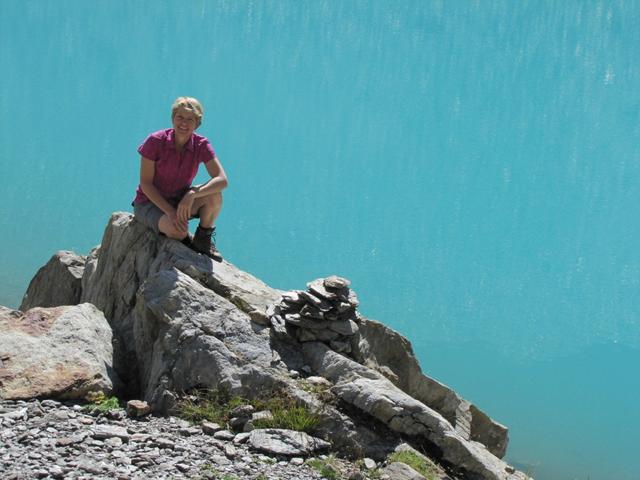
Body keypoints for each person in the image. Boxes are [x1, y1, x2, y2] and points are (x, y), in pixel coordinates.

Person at [132, 97, 227, 261]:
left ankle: (202, 239)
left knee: (215, 196)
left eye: (190, 119)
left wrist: (192, 193)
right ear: (173, 118)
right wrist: (170, 212)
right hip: (149, 203)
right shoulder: (155, 141)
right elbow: (146, 184)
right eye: (180, 117)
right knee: (177, 231)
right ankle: (186, 240)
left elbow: (222, 180)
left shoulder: (201, 145)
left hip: (179, 201)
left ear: (197, 124)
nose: (184, 123)